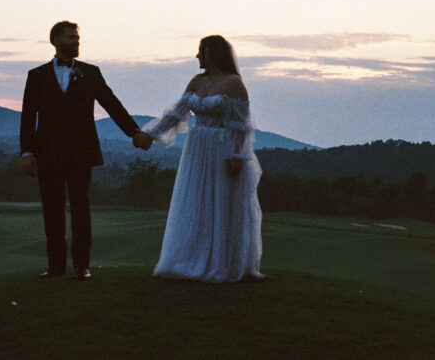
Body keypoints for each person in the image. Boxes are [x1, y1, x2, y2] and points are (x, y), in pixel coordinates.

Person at [20, 21, 153, 280]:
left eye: (77, 38)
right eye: (71, 38)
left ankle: (82, 266)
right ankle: (55, 267)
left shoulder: (91, 73)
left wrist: (134, 133)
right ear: (55, 40)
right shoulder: (36, 76)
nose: (76, 42)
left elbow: (111, 104)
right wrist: (27, 152)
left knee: (81, 208)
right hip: (47, 153)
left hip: (81, 152)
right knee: (52, 210)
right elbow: (28, 117)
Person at [143, 35, 264, 283]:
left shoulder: (234, 84)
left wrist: (238, 156)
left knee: (222, 202)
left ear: (214, 53)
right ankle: (190, 258)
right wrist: (148, 134)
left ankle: (223, 263)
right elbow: (176, 113)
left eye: (201, 51)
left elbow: (242, 126)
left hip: (223, 149)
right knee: (195, 200)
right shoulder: (196, 81)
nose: (197, 55)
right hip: (197, 150)